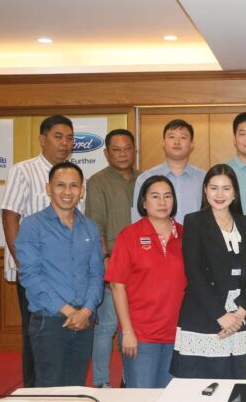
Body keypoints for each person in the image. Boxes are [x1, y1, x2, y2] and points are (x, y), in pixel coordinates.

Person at [1, 114, 76, 387]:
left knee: (65, 331)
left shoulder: (75, 175)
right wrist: (26, 267)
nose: (65, 143)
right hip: (35, 272)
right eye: (58, 136)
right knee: (37, 333)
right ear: (42, 139)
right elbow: (10, 217)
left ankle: (64, 389)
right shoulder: (23, 171)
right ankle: (34, 391)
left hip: (66, 273)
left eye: (70, 138)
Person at [15, 161, 103, 387]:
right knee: (50, 390)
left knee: (75, 388)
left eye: (74, 185)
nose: (67, 191)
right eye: (60, 185)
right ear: (48, 188)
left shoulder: (90, 227)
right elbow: (30, 276)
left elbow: (96, 274)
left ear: (82, 190)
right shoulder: (32, 226)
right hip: (50, 321)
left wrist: (86, 311)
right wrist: (69, 311)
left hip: (84, 320)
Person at [171, 164, 246, 378]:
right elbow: (194, 273)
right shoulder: (194, 221)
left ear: (235, 193)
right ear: (205, 190)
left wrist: (241, 312)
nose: (219, 194)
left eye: (226, 188)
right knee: (202, 384)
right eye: (214, 188)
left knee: (236, 379)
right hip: (204, 313)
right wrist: (221, 316)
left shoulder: (244, 223)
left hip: (239, 316)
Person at [105, 175, 187, 388]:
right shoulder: (129, 235)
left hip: (177, 335)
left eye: (167, 196)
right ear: (143, 202)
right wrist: (127, 332)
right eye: (155, 196)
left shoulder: (186, 234)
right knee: (141, 396)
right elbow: (117, 286)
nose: (162, 202)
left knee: (171, 396)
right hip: (141, 336)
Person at [85, 129, 140, 388]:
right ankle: (101, 383)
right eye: (116, 149)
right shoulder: (98, 182)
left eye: (127, 148)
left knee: (134, 326)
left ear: (134, 150)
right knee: (107, 326)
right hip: (114, 264)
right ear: (107, 153)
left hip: (142, 266)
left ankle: (129, 380)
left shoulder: (145, 178)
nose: (122, 154)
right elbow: (95, 224)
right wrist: (105, 259)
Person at [131, 119, 205, 224]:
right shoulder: (145, 178)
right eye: (172, 137)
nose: (177, 142)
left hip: (196, 235)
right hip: (156, 235)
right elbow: (138, 220)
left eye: (183, 137)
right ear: (163, 143)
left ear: (192, 144)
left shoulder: (204, 178)